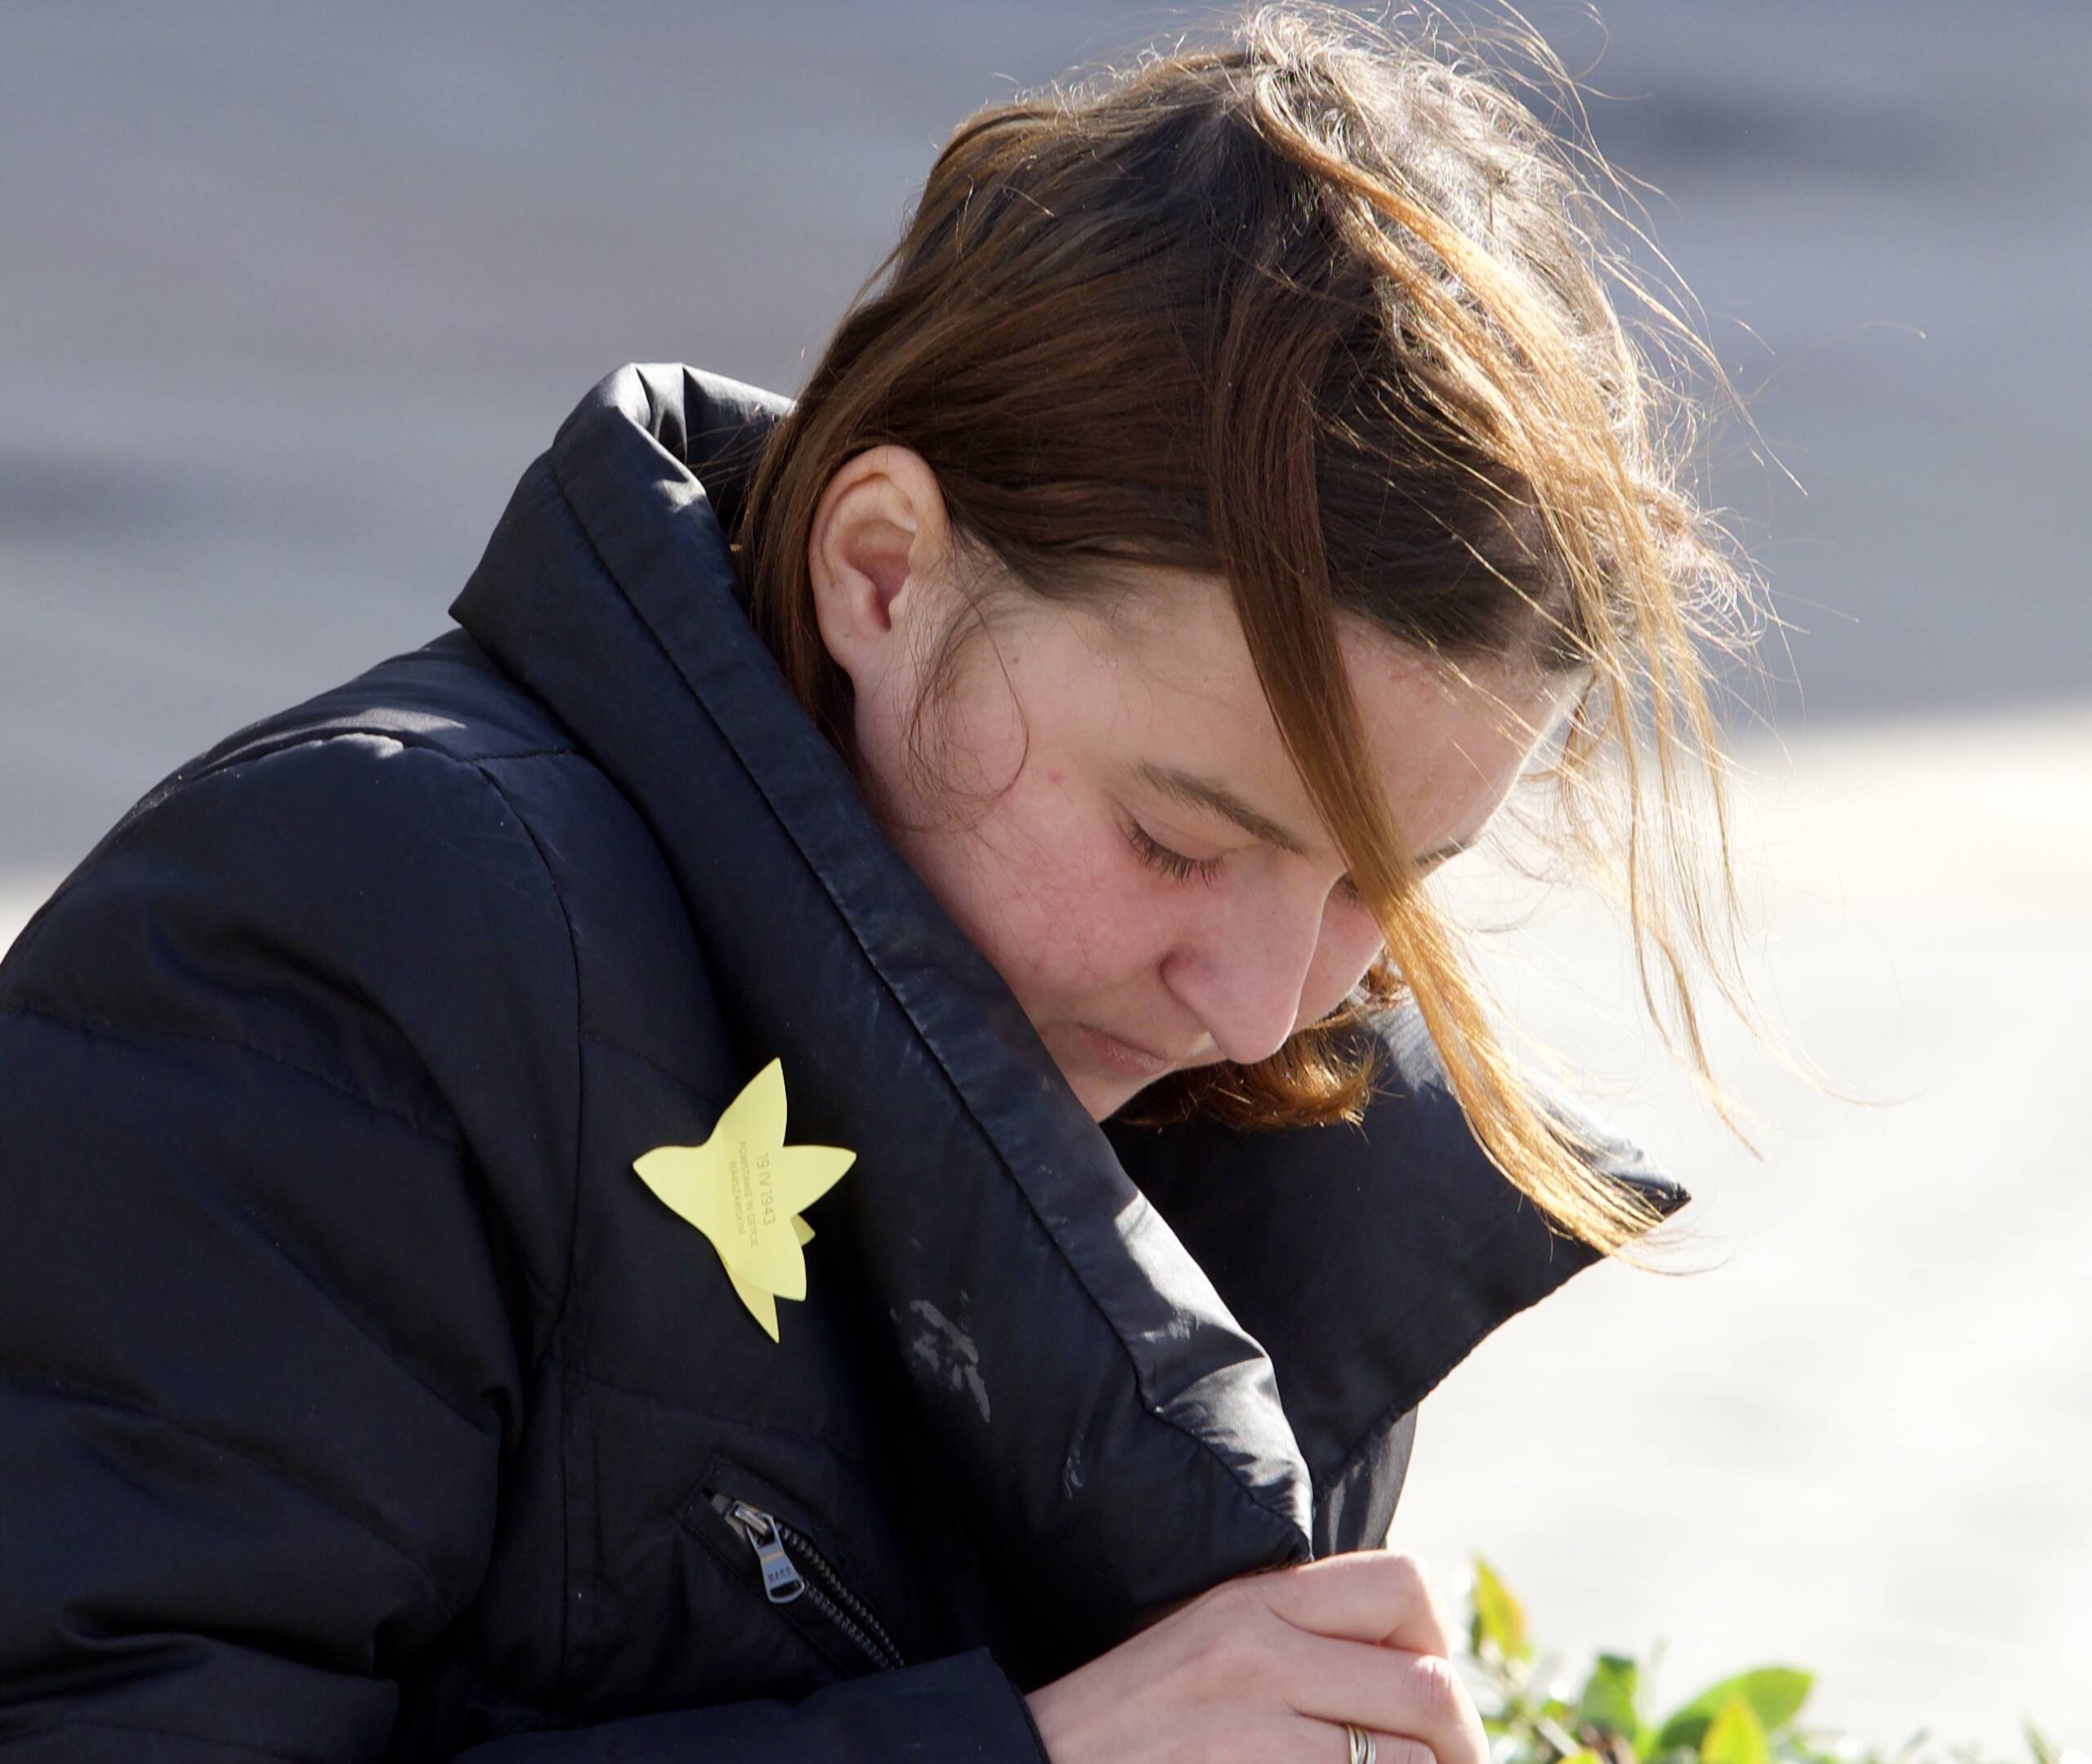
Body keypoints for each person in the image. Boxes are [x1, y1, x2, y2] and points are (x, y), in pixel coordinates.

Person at [0, 7, 1762, 1762]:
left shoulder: (1292, 1126)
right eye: (1179, 838)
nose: (1259, 999)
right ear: (881, 571)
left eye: (1392, 879)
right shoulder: (352, 936)